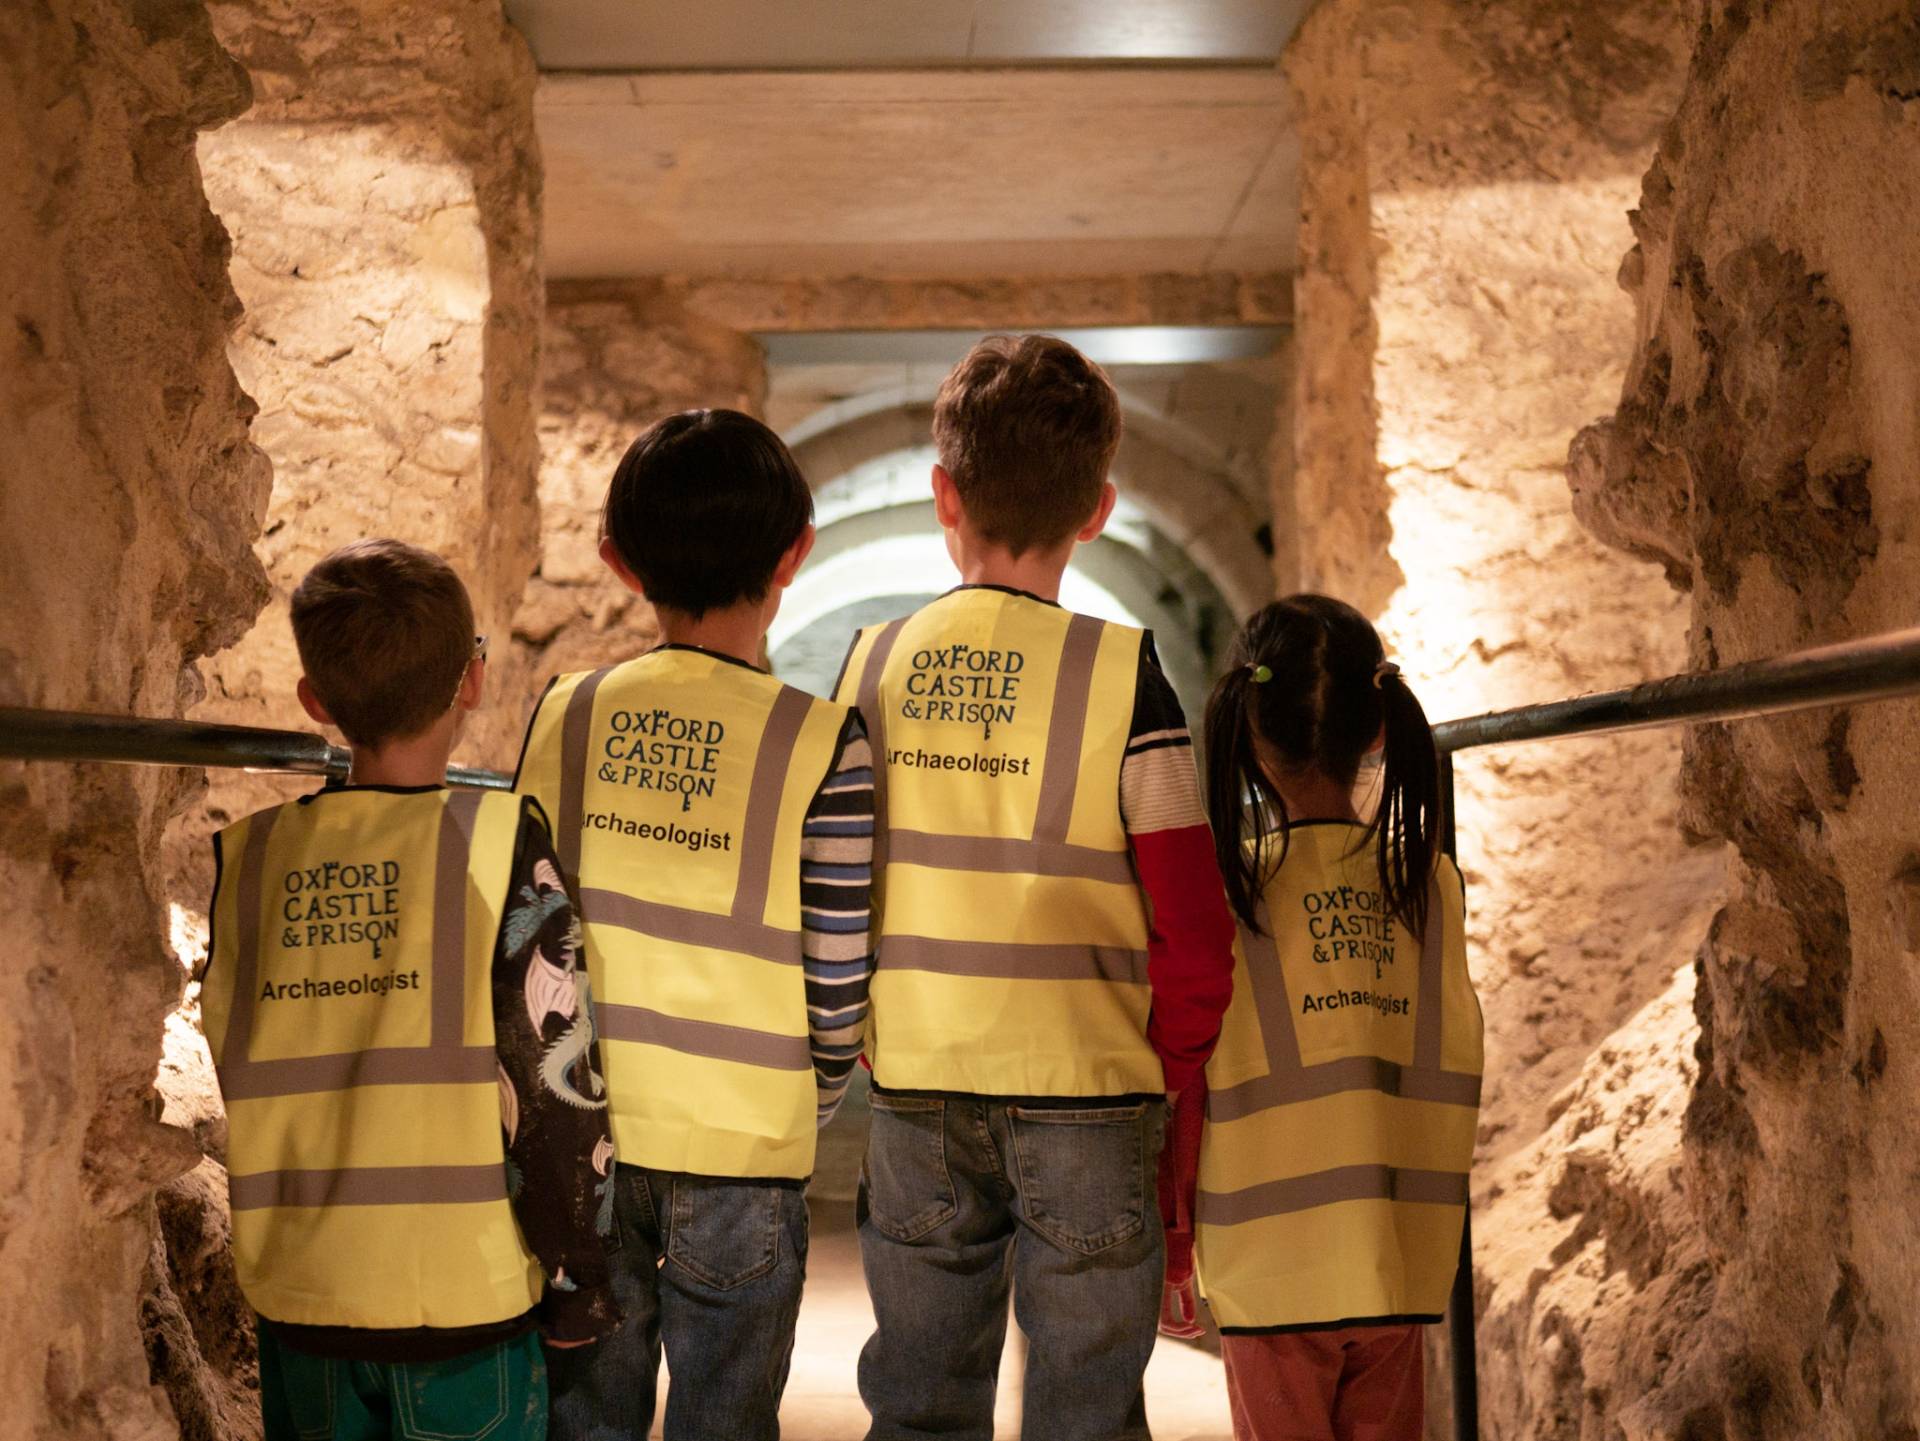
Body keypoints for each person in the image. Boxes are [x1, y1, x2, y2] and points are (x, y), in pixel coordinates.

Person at [836, 333, 1236, 1441]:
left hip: (915, 1081)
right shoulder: (1125, 676)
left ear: (940, 495)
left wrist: (861, 1029)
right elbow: (1195, 927)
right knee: (1091, 1413)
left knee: (917, 1402)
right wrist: (1170, 1066)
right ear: (1099, 510)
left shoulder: (869, 666)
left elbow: (835, 885)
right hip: (1092, 1093)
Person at [203, 539, 620, 1441]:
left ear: (316, 702)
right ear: (472, 681)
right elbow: (553, 1085)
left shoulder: (252, 859)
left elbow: (233, 1054)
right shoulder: (500, 842)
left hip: (303, 1297)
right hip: (462, 1307)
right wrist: (580, 1270)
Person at [515, 409, 875, 1441]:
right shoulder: (821, 739)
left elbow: (526, 923)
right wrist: (816, 1089)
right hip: (746, 1150)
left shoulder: (562, 713)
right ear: (797, 553)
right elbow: (838, 975)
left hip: (578, 1135)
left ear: (617, 562)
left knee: (585, 1422)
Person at [1160, 595, 1484, 1441]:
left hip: (1271, 1266)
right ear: (1379, 728)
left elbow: (1191, 1080)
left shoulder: (1232, 892)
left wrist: (1174, 1238)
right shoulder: (1430, 887)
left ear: (1250, 738)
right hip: (1396, 1251)